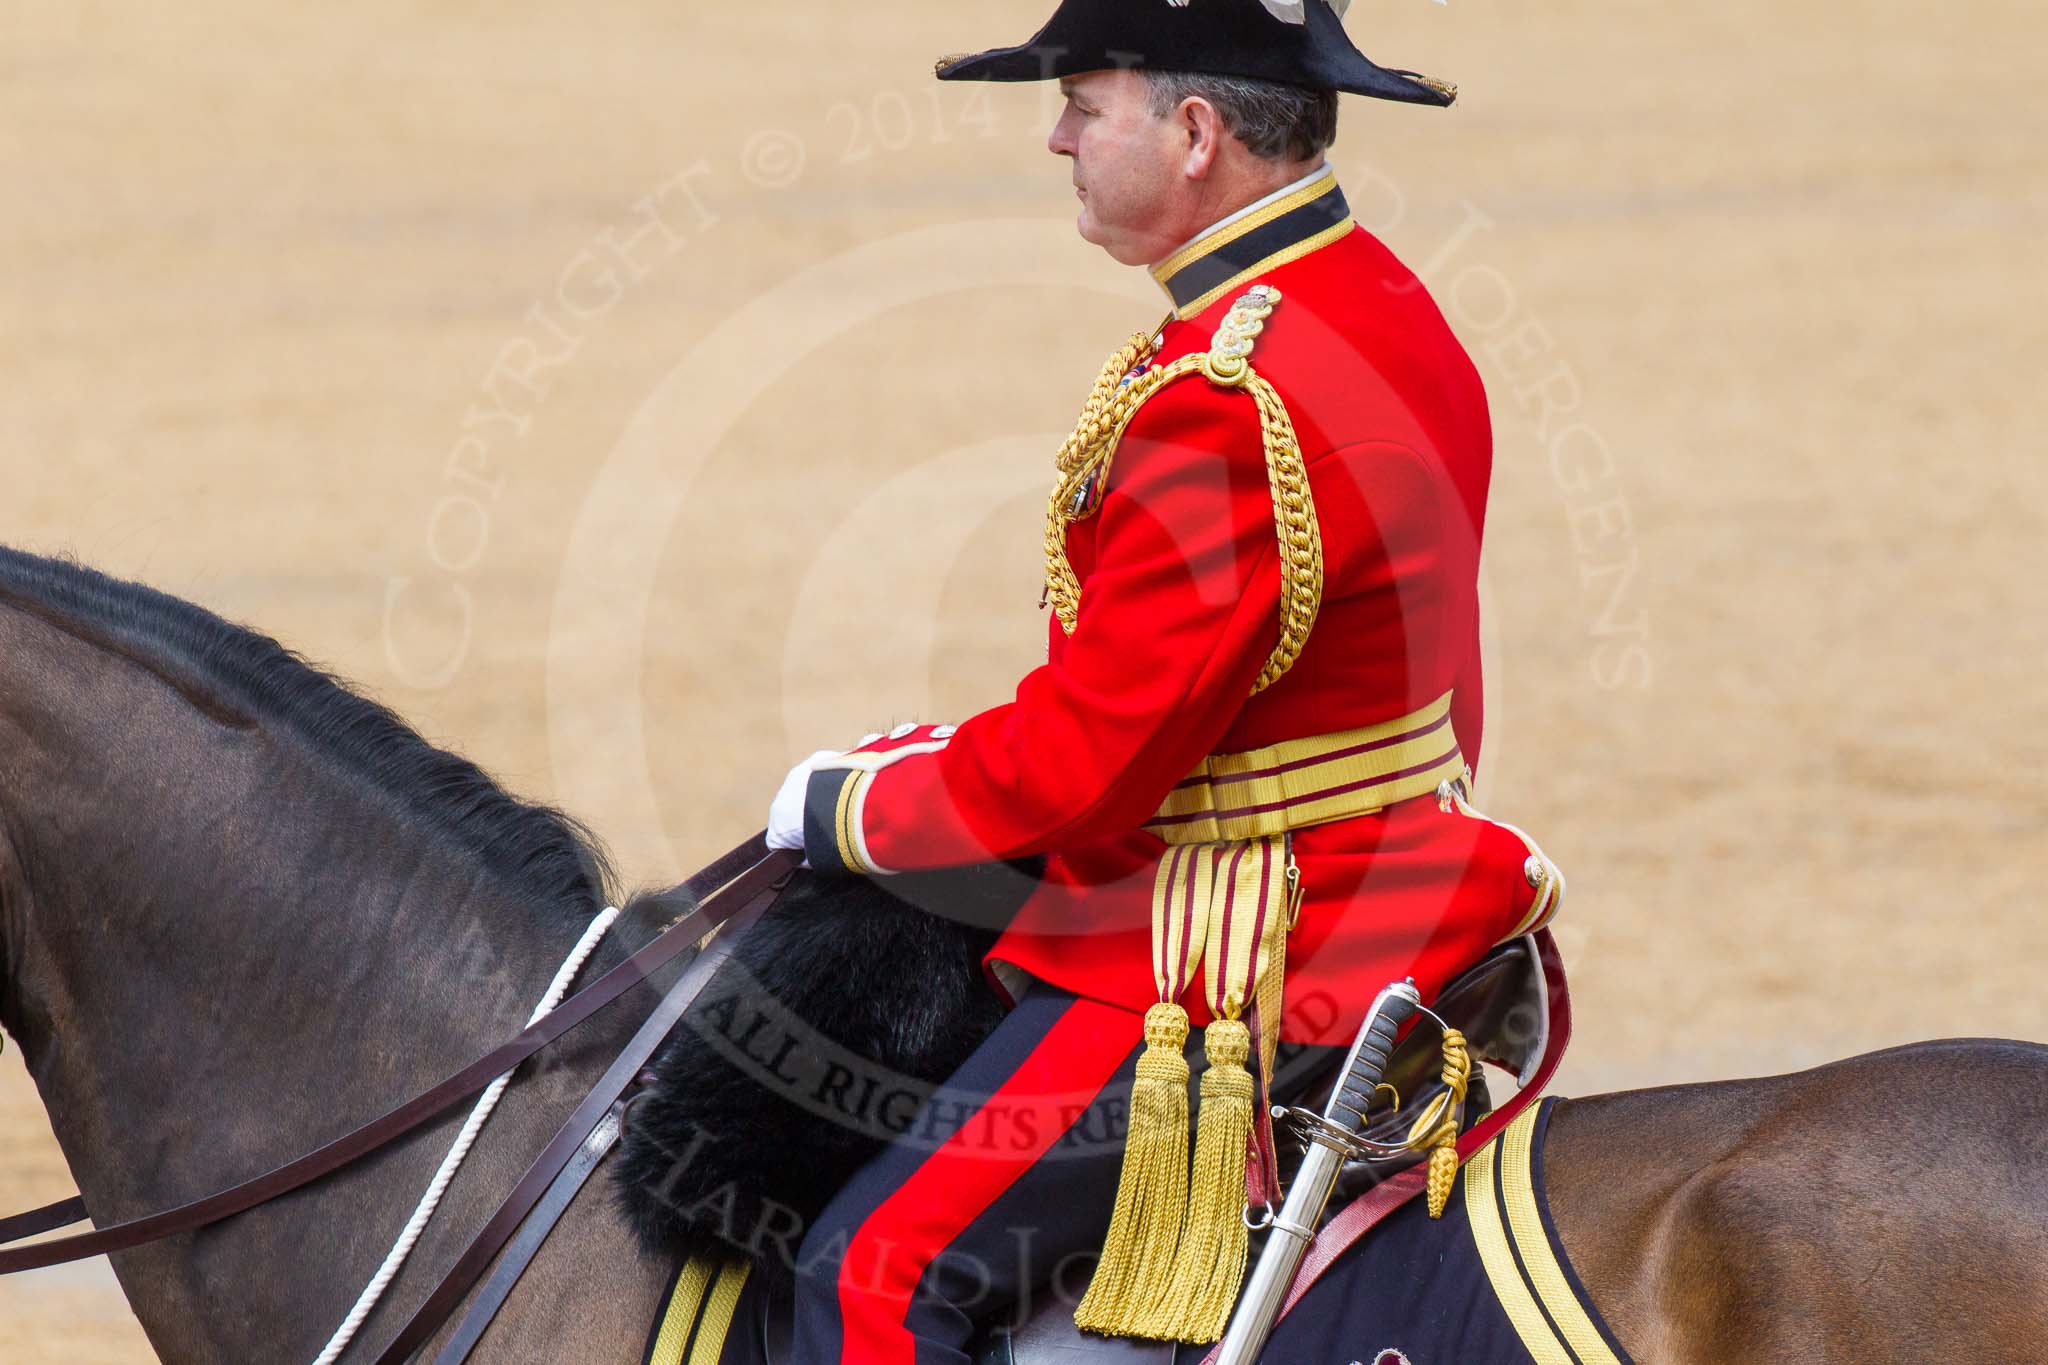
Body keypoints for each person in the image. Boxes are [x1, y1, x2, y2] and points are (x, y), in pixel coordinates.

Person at [763, 2, 1561, 1359]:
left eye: (1085, 100)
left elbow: (1085, 765)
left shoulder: (1225, 391)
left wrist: (852, 804)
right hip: (1402, 870)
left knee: (874, 1274)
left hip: (1244, 945)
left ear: (1195, 134)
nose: (1058, 135)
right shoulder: (1375, 296)